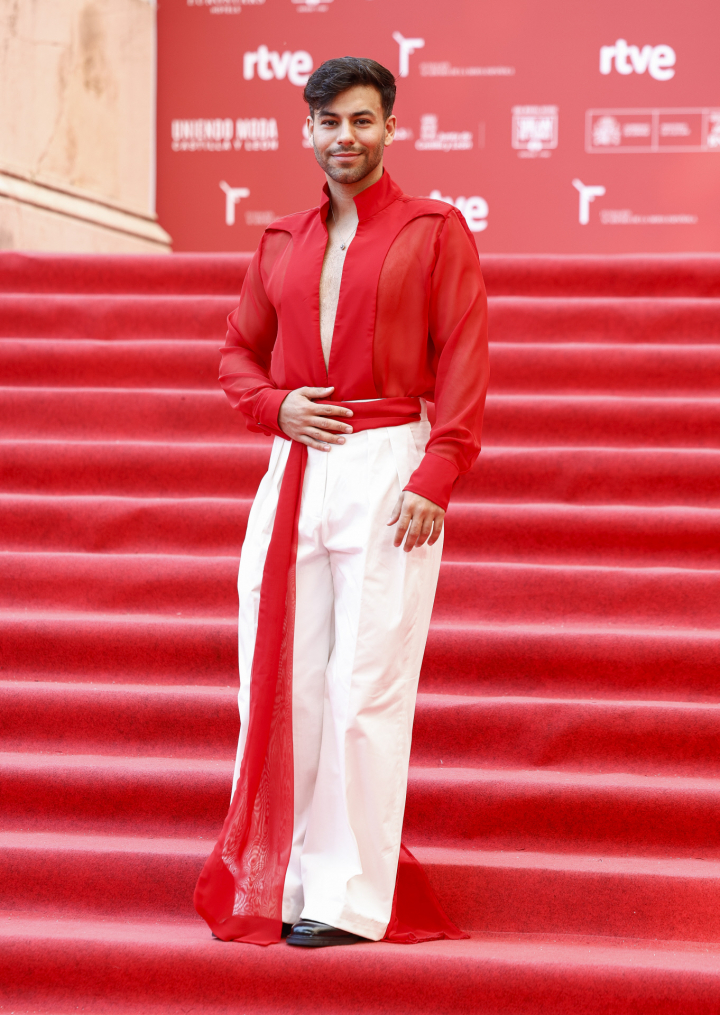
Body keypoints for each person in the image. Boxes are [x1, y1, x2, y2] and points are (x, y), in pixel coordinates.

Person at [194, 56, 489, 949]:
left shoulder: (435, 230)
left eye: (362, 120)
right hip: (295, 467)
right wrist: (273, 405)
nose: (345, 137)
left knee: (366, 686)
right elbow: (236, 353)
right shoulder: (280, 241)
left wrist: (437, 472)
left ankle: (349, 896)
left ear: (390, 126)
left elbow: (465, 358)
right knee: (281, 683)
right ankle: (283, 877)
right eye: (329, 122)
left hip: (390, 463)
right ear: (308, 131)